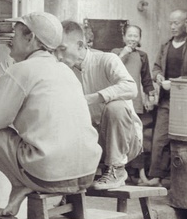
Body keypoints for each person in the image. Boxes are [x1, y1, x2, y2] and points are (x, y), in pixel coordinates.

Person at [0, 12, 101, 219]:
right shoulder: (65, 70)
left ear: (30, 38)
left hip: (50, 176)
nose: (11, 40)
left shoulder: (21, 70)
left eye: (15, 34)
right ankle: (21, 185)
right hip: (87, 174)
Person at [56, 20, 142, 190]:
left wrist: (94, 97)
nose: (58, 56)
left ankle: (117, 169)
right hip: (94, 141)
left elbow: (131, 88)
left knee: (115, 107)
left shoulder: (107, 59)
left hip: (127, 141)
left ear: (80, 45)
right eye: (55, 50)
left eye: (63, 49)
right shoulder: (64, 71)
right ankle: (69, 178)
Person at [147, 9, 187, 187]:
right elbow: (156, 67)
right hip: (166, 100)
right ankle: (156, 177)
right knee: (160, 138)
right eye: (171, 23)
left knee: (183, 139)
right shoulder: (165, 45)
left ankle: (181, 181)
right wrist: (158, 76)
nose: (173, 27)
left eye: (176, 23)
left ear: (186, 23)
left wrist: (182, 80)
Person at [111, 24, 156, 185]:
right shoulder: (115, 53)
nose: (132, 39)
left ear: (139, 39)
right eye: (129, 35)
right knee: (119, 137)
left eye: (135, 36)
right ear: (124, 37)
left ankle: (141, 175)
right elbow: (111, 68)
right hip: (117, 101)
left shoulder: (142, 56)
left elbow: (147, 80)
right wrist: (124, 53)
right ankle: (118, 173)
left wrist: (150, 96)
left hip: (135, 102)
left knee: (137, 138)